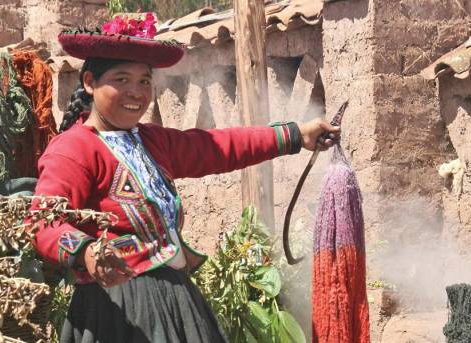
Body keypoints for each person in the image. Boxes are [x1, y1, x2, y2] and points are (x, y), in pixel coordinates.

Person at [32, 14, 340, 343]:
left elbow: (220, 148)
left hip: (177, 303)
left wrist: (296, 135)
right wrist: (87, 252)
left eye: (144, 81)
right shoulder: (73, 149)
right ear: (90, 82)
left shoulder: (153, 141)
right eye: (121, 80)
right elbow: (43, 221)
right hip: (116, 313)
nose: (135, 92)